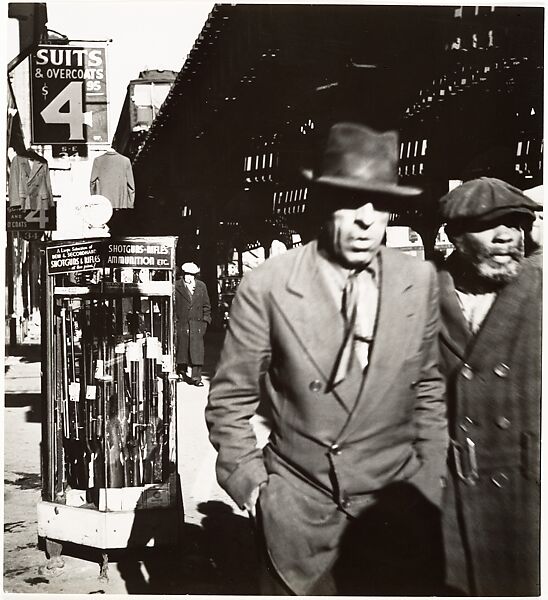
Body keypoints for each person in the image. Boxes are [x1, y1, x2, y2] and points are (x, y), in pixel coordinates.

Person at [206, 123, 448, 595]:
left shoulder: (418, 280)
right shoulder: (268, 286)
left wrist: (428, 485)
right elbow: (230, 401)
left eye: (379, 204)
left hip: (393, 521)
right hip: (297, 522)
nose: (366, 219)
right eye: (350, 201)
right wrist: (256, 488)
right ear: (322, 204)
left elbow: (429, 391)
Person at [436, 177, 541, 596]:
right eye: (487, 226)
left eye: (515, 223)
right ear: (455, 237)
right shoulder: (424, 296)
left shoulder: (541, 290)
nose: (505, 236)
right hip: (451, 495)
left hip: (528, 490)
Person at [174, 262, 211, 386]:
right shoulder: (176, 286)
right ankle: (181, 372)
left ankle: (196, 377)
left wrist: (205, 321)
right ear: (183, 274)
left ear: (195, 275)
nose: (188, 277)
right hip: (182, 323)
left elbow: (206, 305)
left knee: (197, 351)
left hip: (197, 324)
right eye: (186, 274)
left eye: (191, 275)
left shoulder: (201, 286)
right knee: (181, 349)